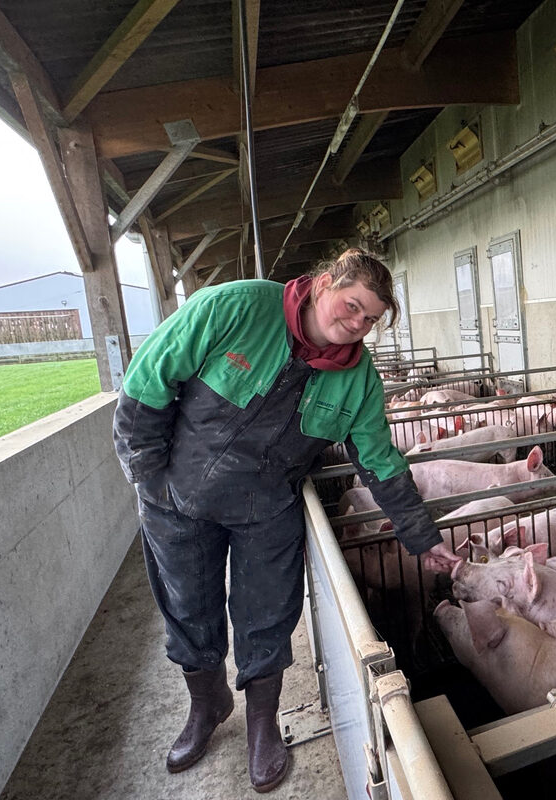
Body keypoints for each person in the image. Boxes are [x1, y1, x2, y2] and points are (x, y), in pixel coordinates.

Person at [112, 248, 461, 792]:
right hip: (177, 497)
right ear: (323, 284)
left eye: (371, 319)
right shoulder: (235, 307)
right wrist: (147, 475)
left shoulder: (357, 379)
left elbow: (378, 459)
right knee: (185, 605)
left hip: (265, 510)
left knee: (268, 614)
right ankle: (206, 706)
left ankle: (262, 725)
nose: (357, 325)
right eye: (352, 306)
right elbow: (147, 380)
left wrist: (421, 536)